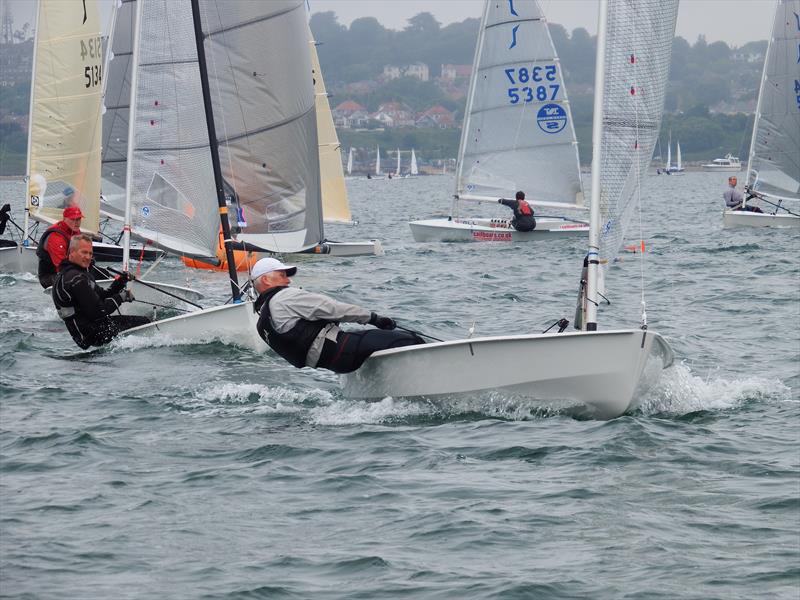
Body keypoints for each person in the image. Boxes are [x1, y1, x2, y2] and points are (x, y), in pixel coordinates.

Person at [251, 257, 424, 373]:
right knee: (409, 339)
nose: (288, 280)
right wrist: (375, 319)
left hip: (331, 363)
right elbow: (334, 308)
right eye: (282, 275)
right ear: (266, 280)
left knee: (368, 339)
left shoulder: (263, 317)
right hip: (341, 351)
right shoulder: (284, 297)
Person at [52, 234, 150, 349]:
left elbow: (102, 296)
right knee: (147, 322)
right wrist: (121, 297)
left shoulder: (77, 274)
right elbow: (100, 310)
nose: (88, 257)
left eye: (90, 253)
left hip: (95, 328)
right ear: (72, 252)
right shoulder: (75, 279)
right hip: (92, 335)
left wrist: (120, 281)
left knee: (142, 320)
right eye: (84, 252)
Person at [36, 205, 84, 288]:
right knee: (78, 279)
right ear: (64, 219)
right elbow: (61, 265)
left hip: (70, 270)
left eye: (79, 219)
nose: (77, 222)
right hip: (50, 277)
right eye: (73, 219)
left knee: (100, 273)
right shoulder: (56, 236)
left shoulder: (76, 231)